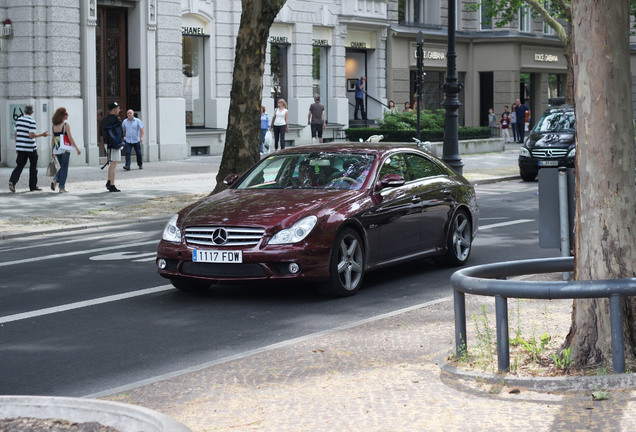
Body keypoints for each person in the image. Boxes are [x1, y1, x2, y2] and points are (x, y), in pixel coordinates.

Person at [9, 104, 49, 192]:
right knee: (33, 166)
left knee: (19, 166)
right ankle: (33, 186)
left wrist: (17, 145)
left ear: (24, 111)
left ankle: (12, 181)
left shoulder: (18, 120)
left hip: (20, 147)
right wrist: (42, 135)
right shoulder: (32, 121)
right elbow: (31, 135)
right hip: (31, 148)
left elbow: (16, 134)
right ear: (32, 112)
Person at [50, 107, 81, 193]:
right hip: (65, 148)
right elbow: (70, 138)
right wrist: (77, 148)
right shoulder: (65, 125)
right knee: (65, 168)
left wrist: (52, 151)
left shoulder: (54, 126)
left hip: (57, 148)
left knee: (62, 167)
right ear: (62, 116)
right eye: (66, 114)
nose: (67, 115)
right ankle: (61, 187)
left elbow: (52, 139)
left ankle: (56, 180)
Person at [100, 102, 123, 192]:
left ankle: (109, 181)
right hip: (115, 144)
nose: (119, 110)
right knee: (114, 163)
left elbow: (101, 133)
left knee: (112, 162)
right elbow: (120, 132)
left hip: (107, 143)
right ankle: (112, 184)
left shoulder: (104, 120)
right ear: (113, 109)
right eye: (118, 108)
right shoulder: (117, 119)